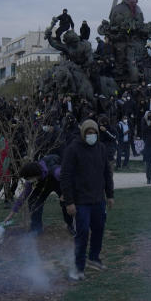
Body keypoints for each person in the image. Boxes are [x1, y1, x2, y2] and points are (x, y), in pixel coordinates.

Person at [60, 119, 115, 281]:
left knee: (99, 229)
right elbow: (65, 176)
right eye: (89, 133)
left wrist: (110, 195)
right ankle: (79, 267)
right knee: (82, 233)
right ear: (83, 133)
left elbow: (107, 173)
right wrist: (69, 201)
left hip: (98, 199)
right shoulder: (73, 150)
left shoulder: (101, 148)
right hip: (81, 201)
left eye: (94, 133)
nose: (92, 136)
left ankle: (94, 258)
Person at [4, 155, 74, 235]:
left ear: (34, 175)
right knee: (34, 201)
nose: (28, 181)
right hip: (44, 184)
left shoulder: (57, 171)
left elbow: (70, 179)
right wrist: (12, 213)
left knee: (66, 202)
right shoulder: (32, 174)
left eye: (29, 179)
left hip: (60, 182)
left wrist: (65, 194)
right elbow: (24, 195)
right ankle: (36, 228)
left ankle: (70, 224)